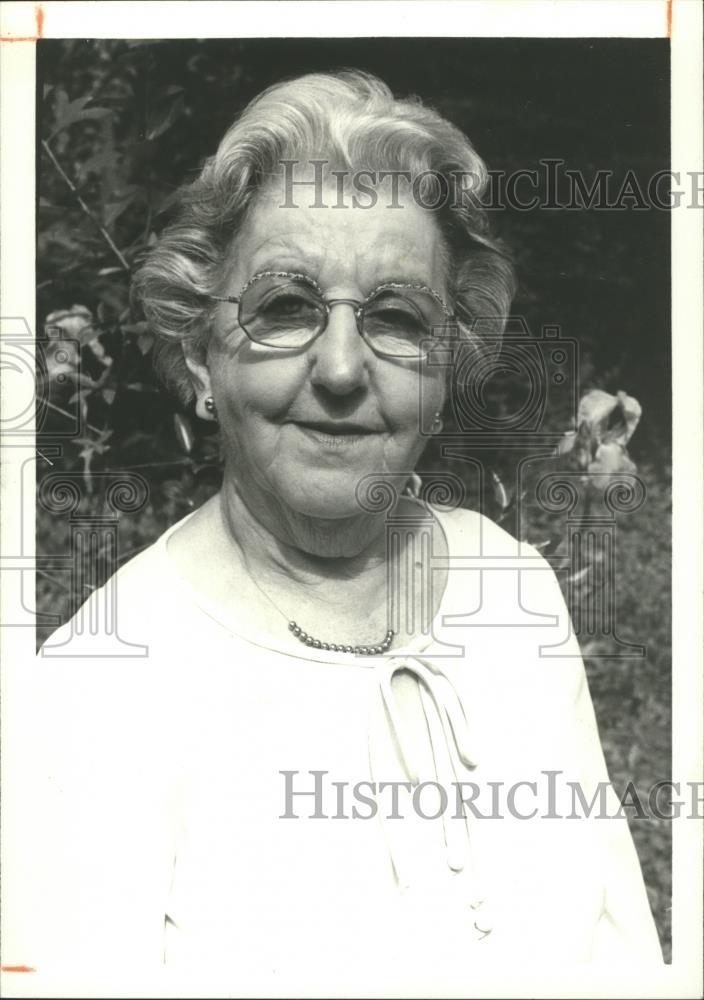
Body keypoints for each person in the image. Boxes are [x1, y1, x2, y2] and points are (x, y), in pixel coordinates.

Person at [4, 70, 662, 993]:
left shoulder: (512, 586)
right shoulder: (92, 695)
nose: (344, 368)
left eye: (396, 317)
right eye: (285, 307)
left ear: (446, 372)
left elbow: (621, 955)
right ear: (199, 355)